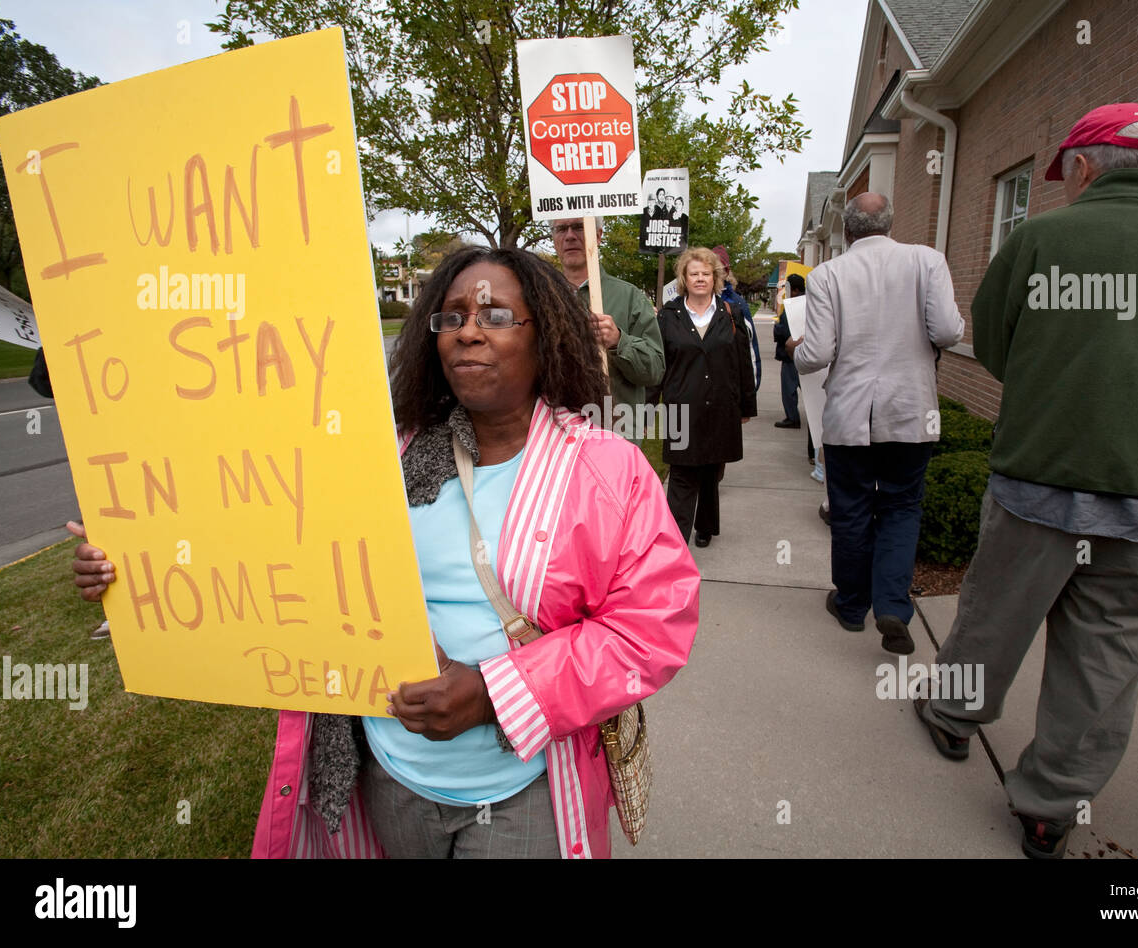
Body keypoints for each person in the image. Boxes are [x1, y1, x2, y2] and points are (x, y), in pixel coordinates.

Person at [71, 246, 700, 859]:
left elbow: (652, 627)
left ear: (548, 336)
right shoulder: (382, 460)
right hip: (392, 778)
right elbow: (278, 548)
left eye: (496, 316)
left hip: (524, 788)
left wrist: (493, 695)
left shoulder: (605, 470)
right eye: (451, 317)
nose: (468, 333)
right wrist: (139, 565)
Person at [913, 103, 1138, 859]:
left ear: (1082, 166)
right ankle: (1050, 806)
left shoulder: (1041, 239)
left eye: (1064, 175)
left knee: (994, 618)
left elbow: (997, 346)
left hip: (1035, 485)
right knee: (1107, 660)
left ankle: (954, 718)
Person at [794, 193, 964, 656]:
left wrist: (795, 350)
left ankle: (851, 605)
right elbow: (949, 331)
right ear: (891, 224)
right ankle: (892, 603)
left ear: (847, 231)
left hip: (849, 416)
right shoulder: (927, 262)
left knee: (850, 511)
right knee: (901, 507)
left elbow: (818, 353)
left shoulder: (828, 274)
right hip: (911, 412)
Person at [653, 246, 757, 547]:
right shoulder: (669, 316)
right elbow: (660, 364)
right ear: (684, 278)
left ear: (716, 278)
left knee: (711, 471)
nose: (700, 278)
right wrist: (647, 405)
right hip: (681, 410)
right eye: (694, 273)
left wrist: (746, 406)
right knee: (683, 474)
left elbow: (742, 364)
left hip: (720, 407)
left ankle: (706, 526)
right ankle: (675, 544)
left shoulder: (731, 313)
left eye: (706, 273)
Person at [551, 217, 665, 437]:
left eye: (579, 227)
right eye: (561, 229)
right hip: (557, 437)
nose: (570, 236)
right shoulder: (540, 298)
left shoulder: (629, 297)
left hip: (615, 433)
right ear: (554, 239)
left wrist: (619, 342)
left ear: (599, 235)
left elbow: (655, 370)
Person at [712, 246, 762, 392]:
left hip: (728, 389)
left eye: (716, 270)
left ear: (726, 272)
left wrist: (750, 392)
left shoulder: (737, 304)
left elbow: (750, 349)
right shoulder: (687, 302)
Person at [772, 274, 804, 429]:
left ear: (796, 289)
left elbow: (783, 330)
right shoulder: (811, 303)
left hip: (790, 355)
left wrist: (777, 327)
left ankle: (792, 417)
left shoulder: (793, 306)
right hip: (806, 353)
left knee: (789, 389)